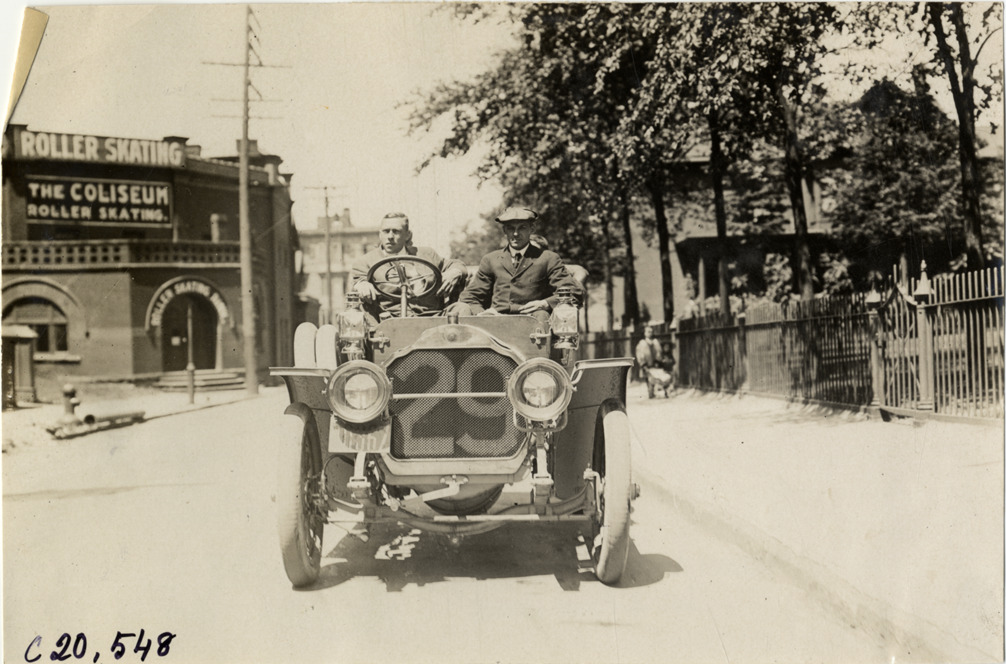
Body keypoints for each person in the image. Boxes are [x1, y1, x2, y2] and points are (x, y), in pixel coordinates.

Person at [448, 206, 583, 323]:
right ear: (504, 231)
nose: (516, 234)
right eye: (510, 228)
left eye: (522, 228)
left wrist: (544, 304)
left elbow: (573, 292)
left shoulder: (548, 258)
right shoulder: (491, 259)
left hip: (532, 320)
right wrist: (482, 314)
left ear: (532, 229)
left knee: (542, 317)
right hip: (496, 320)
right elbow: (470, 296)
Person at [351, 212, 467, 318]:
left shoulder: (426, 254)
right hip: (390, 321)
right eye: (386, 231)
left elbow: (456, 264)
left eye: (396, 231)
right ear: (380, 234)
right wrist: (362, 285)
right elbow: (358, 281)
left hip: (433, 317)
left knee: (462, 308)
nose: (390, 236)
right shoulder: (365, 262)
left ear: (407, 235)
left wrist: (455, 272)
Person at [635, 325, 671, 398]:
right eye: (648, 332)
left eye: (651, 332)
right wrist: (643, 364)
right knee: (649, 379)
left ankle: (664, 391)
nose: (650, 333)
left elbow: (659, 352)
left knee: (660, 377)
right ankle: (650, 393)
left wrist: (659, 361)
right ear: (645, 333)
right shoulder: (642, 343)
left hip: (656, 364)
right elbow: (640, 354)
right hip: (647, 365)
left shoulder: (656, 342)